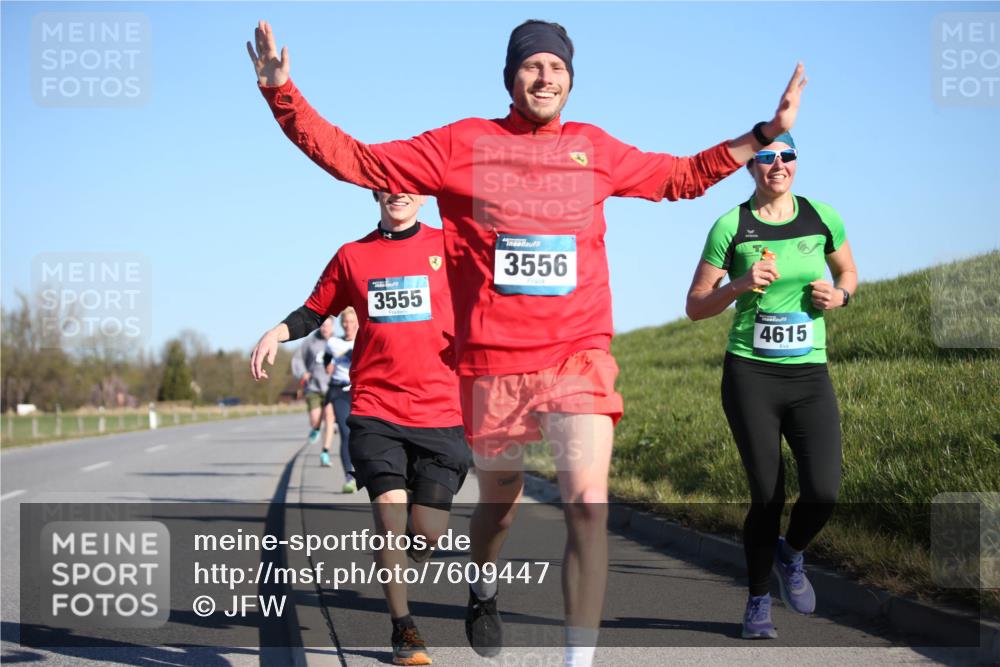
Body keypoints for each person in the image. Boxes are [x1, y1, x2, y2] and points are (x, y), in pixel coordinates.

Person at [248, 18, 807, 665]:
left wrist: (763, 134)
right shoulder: (464, 144)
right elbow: (356, 159)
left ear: (571, 79)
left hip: (578, 356)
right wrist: (281, 90)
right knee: (501, 502)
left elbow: (681, 176)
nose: (546, 78)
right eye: (533, 67)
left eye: (558, 68)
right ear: (511, 76)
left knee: (587, 505)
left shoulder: (592, 148)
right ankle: (482, 583)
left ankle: (578, 659)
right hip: (492, 367)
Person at [251, 190, 470, 666]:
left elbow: (492, 296)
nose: (398, 191)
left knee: (427, 532)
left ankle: (417, 548)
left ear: (424, 193)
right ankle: (403, 628)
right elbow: (314, 310)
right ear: (374, 191)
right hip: (376, 408)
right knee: (389, 515)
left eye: (408, 182)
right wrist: (275, 332)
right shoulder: (354, 256)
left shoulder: (451, 246)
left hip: (441, 410)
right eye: (387, 182)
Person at [685, 132, 858, 639]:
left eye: (786, 156)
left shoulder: (823, 217)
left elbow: (847, 269)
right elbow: (696, 305)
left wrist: (841, 295)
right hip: (751, 375)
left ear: (796, 164)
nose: (777, 164)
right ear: (752, 168)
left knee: (823, 492)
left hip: (809, 374)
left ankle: (791, 554)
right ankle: (758, 600)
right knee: (768, 496)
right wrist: (739, 285)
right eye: (766, 157)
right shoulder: (731, 225)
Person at [323, 307, 358, 492]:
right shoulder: (333, 342)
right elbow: (326, 360)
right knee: (345, 432)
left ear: (357, 323)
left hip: (360, 390)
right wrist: (329, 365)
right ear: (341, 323)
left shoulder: (364, 339)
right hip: (340, 391)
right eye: (345, 322)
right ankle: (349, 476)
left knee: (362, 433)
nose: (349, 325)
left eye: (352, 322)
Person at [296, 316, 336, 458]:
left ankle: (325, 452)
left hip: (331, 387)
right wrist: (303, 373)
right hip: (313, 386)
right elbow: (298, 359)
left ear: (333, 327)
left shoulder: (337, 342)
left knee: (329, 417)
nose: (325, 329)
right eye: (323, 326)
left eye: (328, 326)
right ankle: (316, 428)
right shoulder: (310, 342)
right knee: (315, 418)